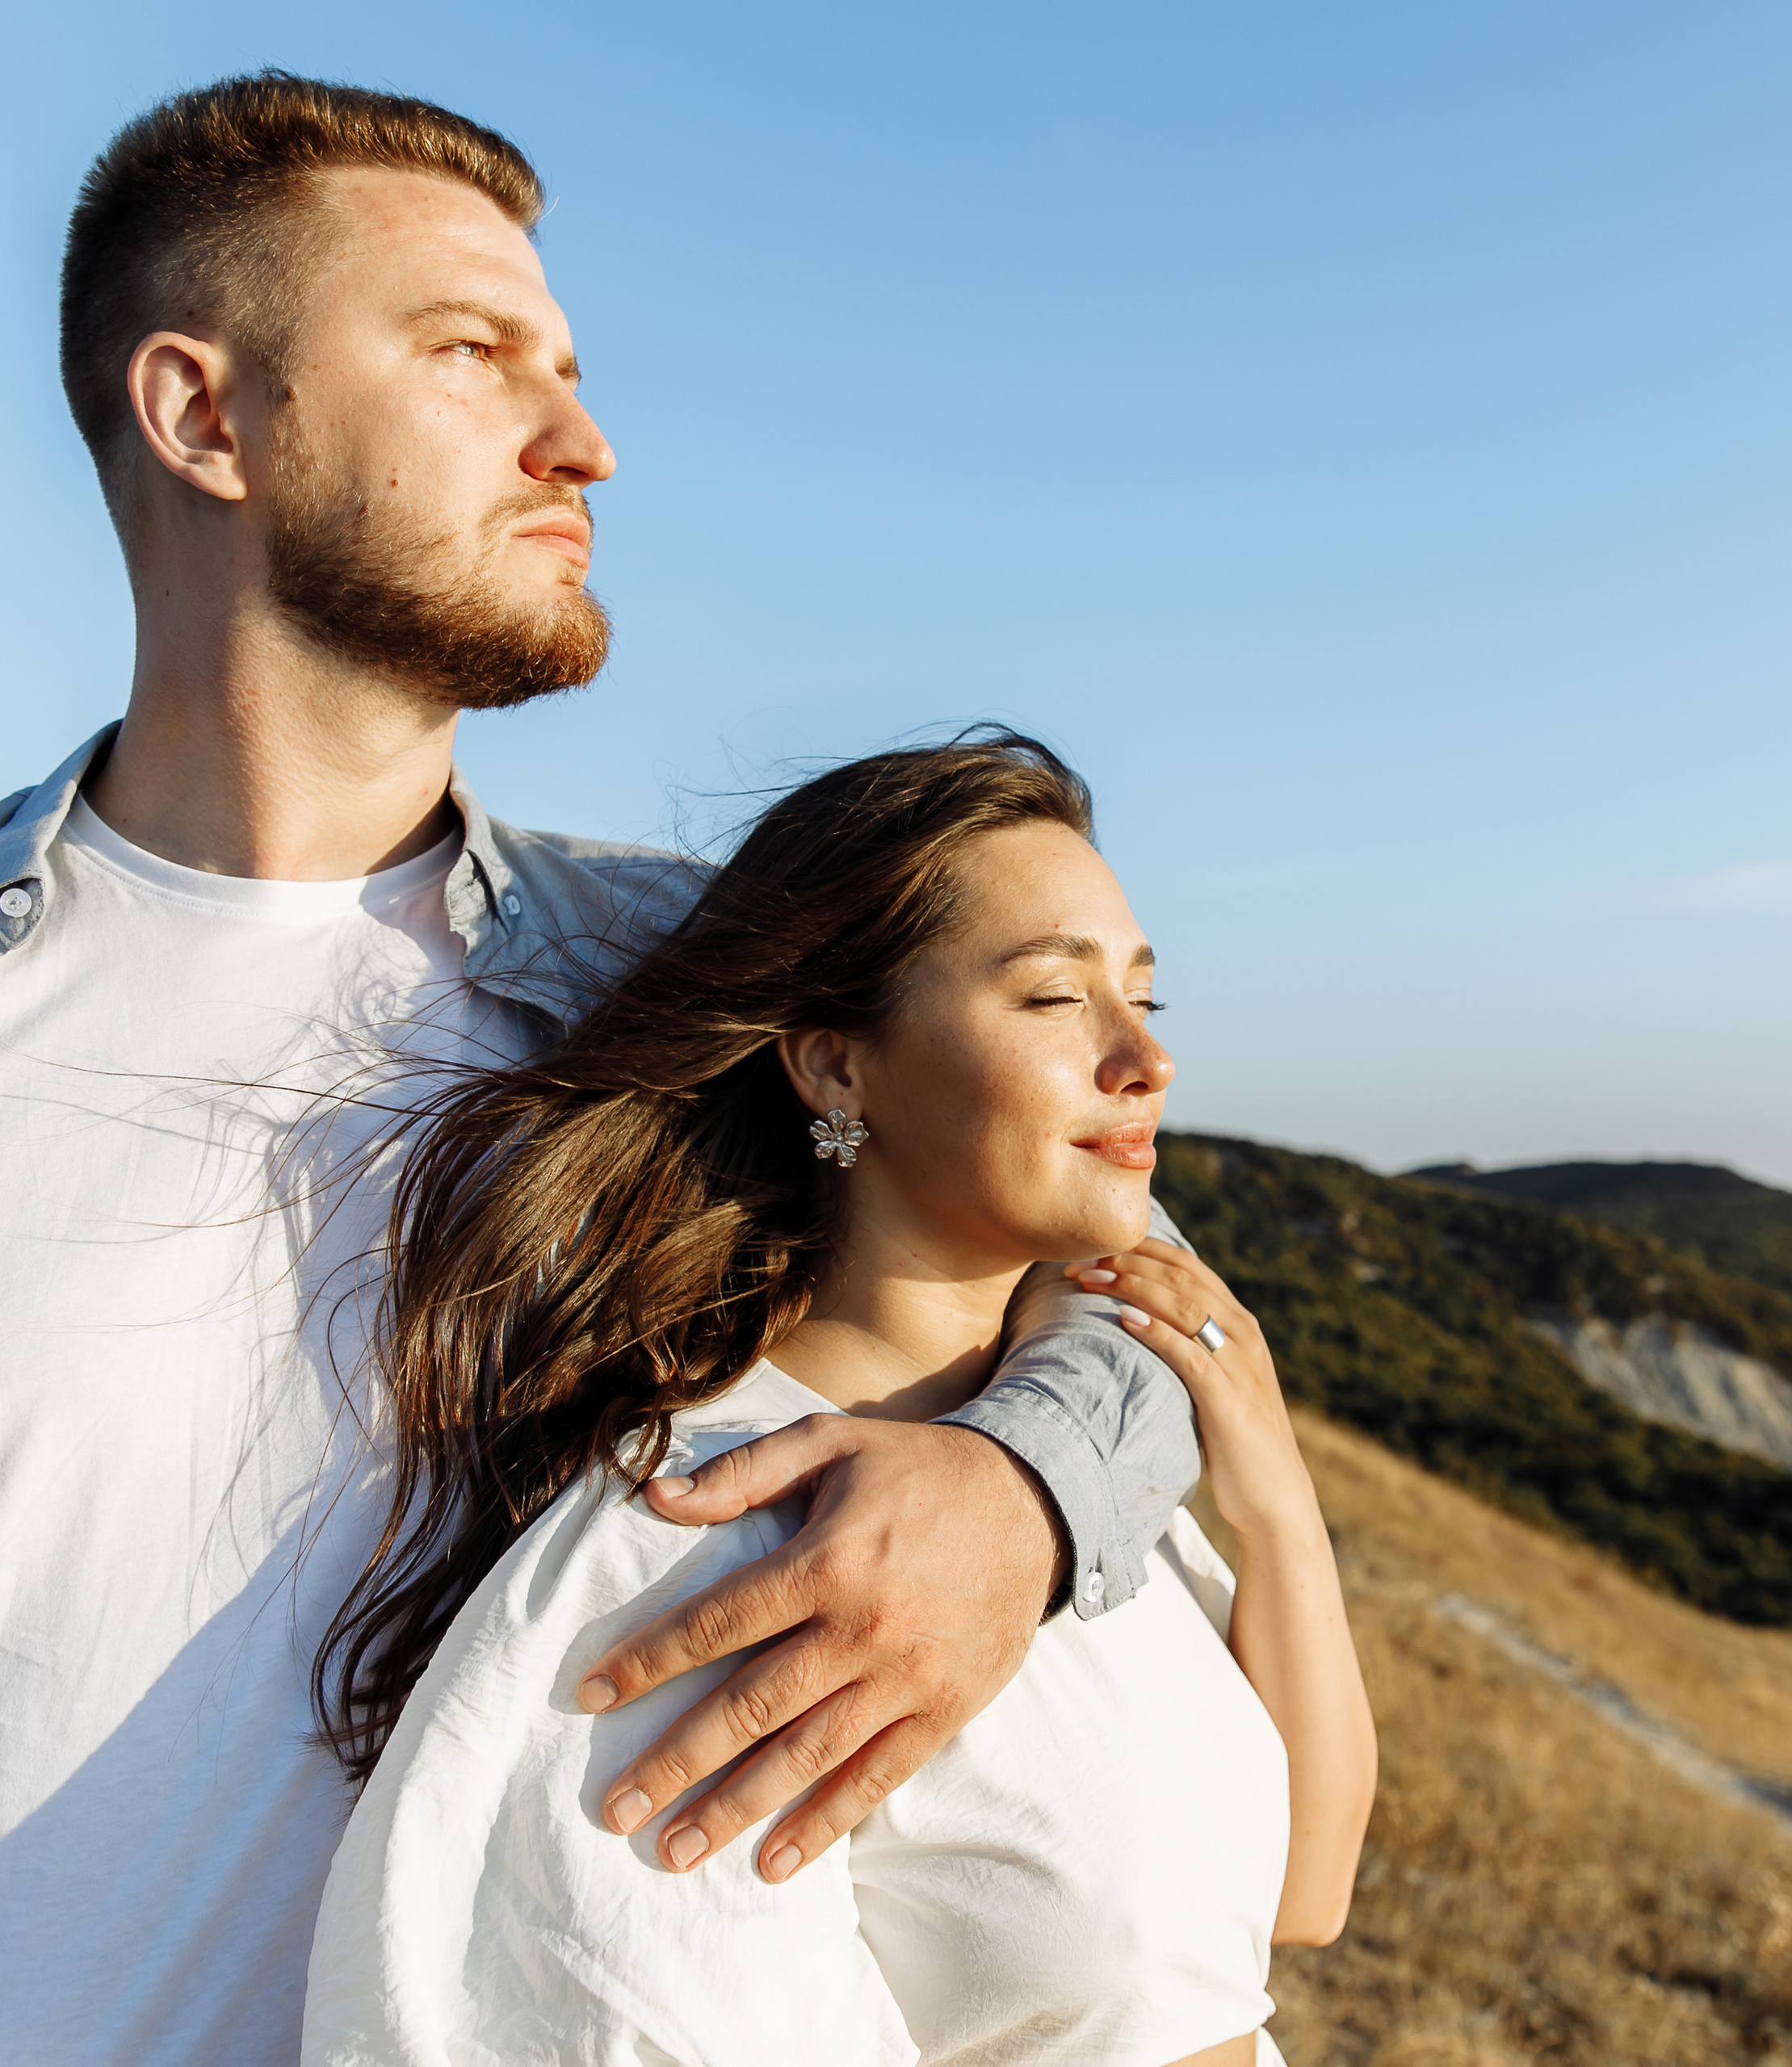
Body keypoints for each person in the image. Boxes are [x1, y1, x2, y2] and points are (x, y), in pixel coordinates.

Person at [0, 75, 1201, 2067]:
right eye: (471, 355)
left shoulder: (689, 982)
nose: (585, 441)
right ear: (204, 417)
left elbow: (1130, 1273)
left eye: (564, 366)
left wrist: (1026, 1486)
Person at [302, 734, 1377, 2066]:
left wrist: (1274, 1505)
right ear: (835, 1070)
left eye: (1147, 997)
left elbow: (1299, 1896)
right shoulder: (698, 1540)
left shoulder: (1071, 1474)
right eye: (1053, 998)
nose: (1144, 1058)